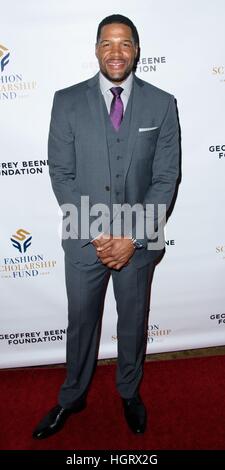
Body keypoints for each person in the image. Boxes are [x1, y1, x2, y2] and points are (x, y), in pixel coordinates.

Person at [33, 14, 179, 439]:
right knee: (81, 321)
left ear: (137, 49)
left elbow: (165, 178)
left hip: (139, 239)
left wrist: (131, 238)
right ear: (96, 49)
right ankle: (71, 397)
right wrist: (101, 235)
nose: (116, 52)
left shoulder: (162, 103)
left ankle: (129, 392)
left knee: (133, 320)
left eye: (125, 44)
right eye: (107, 43)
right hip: (85, 240)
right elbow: (61, 173)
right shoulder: (66, 101)